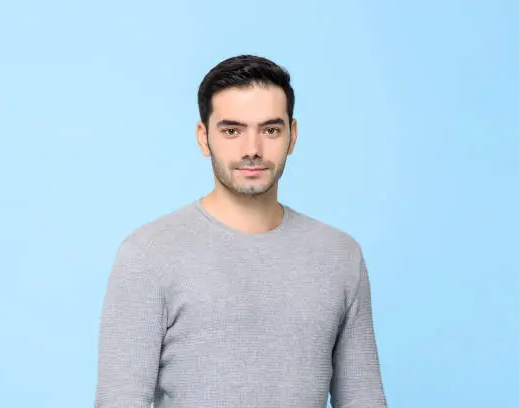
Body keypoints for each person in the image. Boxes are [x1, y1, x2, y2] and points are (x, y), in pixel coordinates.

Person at [94, 54, 388, 408]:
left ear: (292, 136)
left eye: (270, 130)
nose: (252, 149)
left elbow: (363, 398)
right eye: (232, 130)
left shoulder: (340, 256)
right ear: (204, 138)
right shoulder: (148, 254)